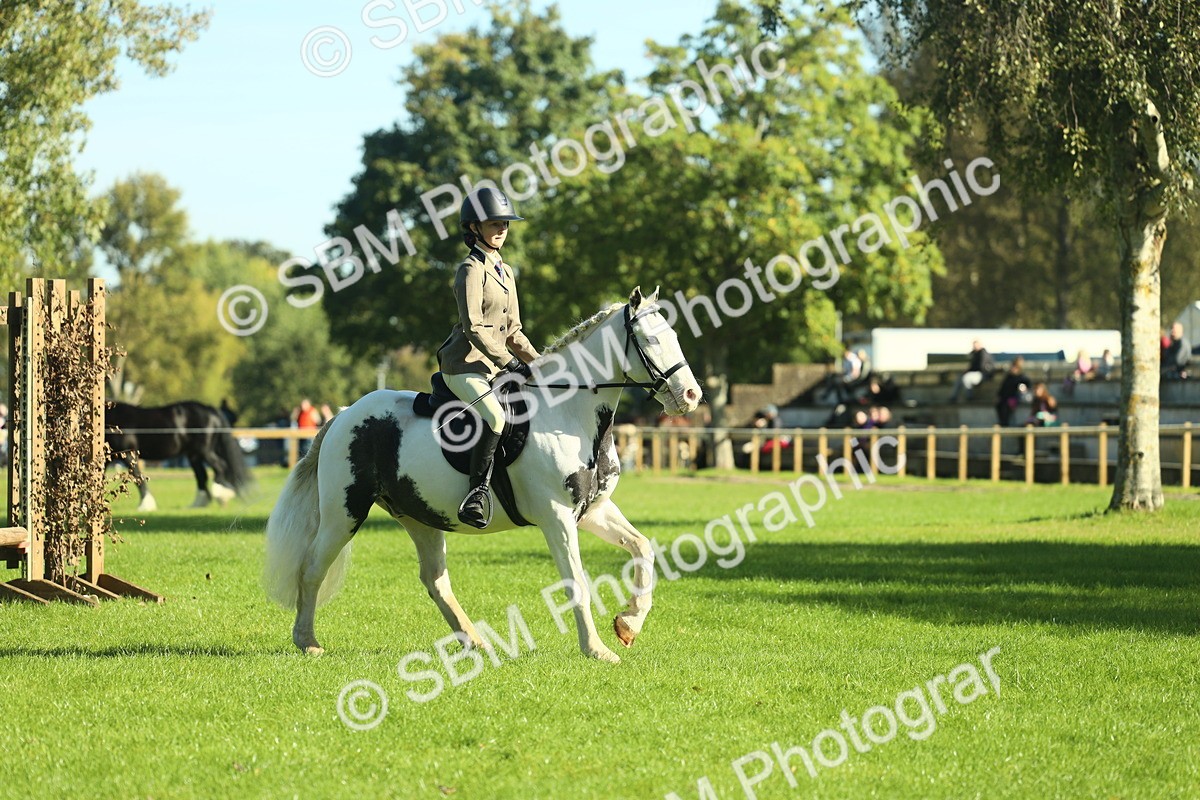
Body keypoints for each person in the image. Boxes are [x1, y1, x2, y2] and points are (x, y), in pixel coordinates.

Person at [436, 187, 540, 528]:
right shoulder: (469, 269)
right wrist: (509, 363)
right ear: (474, 228)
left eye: (505, 224)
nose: (501, 230)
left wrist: (541, 364)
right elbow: (473, 327)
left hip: (493, 366)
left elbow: (514, 332)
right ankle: (476, 495)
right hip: (463, 365)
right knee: (496, 418)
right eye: (493, 223)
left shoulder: (506, 272)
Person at [995, 357, 1030, 427]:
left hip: (1015, 398)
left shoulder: (1022, 377)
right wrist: (999, 395)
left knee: (1006, 406)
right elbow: (1003, 388)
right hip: (1005, 398)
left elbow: (1027, 386)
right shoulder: (1009, 377)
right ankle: (1003, 422)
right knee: (1000, 405)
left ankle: (1005, 423)